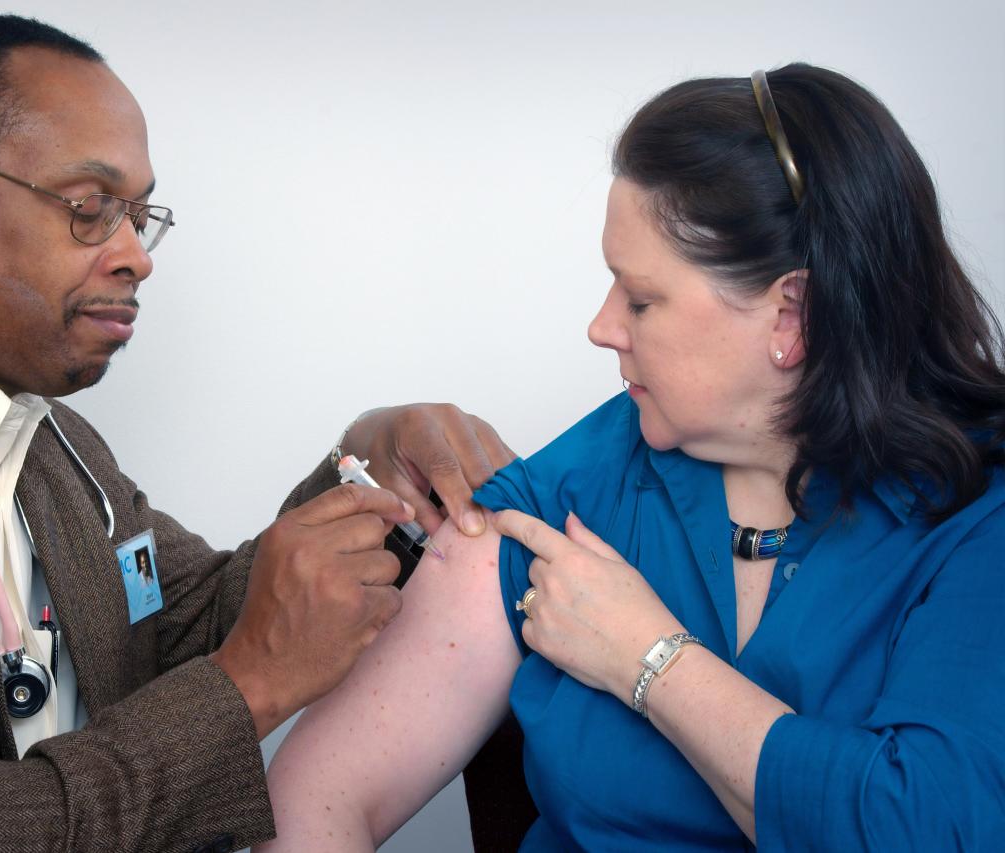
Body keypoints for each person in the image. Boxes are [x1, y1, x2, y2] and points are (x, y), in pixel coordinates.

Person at [0, 14, 518, 853]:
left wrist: (366, 477)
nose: (138, 255)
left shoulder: (47, 436)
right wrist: (247, 688)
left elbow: (191, 618)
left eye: (140, 215)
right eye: (92, 207)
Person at [258, 63, 1005, 851]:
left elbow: (929, 828)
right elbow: (313, 798)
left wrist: (650, 659)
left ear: (792, 314)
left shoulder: (975, 513)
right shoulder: (575, 488)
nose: (602, 326)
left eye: (641, 299)